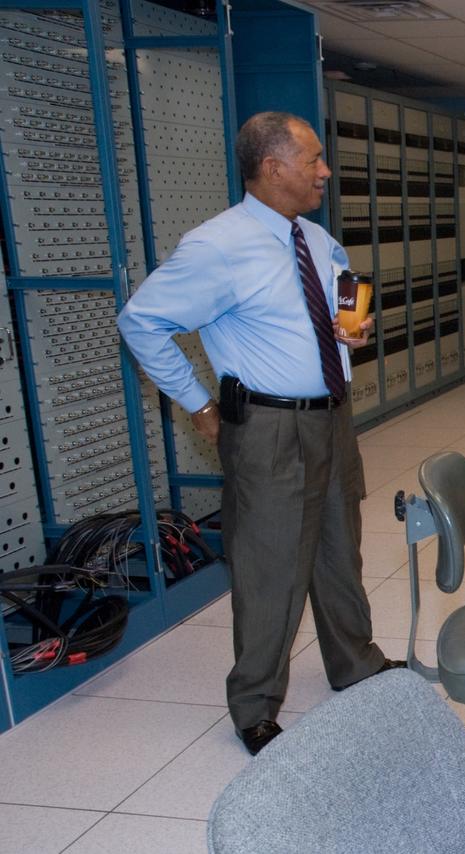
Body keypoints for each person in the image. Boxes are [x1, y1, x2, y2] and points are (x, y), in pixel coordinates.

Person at [117, 112, 402, 756]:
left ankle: (354, 662)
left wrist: (348, 331)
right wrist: (198, 406)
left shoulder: (318, 241)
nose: (325, 172)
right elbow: (141, 322)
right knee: (270, 566)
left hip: (331, 417)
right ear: (272, 169)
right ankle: (254, 705)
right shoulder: (218, 246)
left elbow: (334, 311)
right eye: (314, 161)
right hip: (269, 426)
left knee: (339, 551)